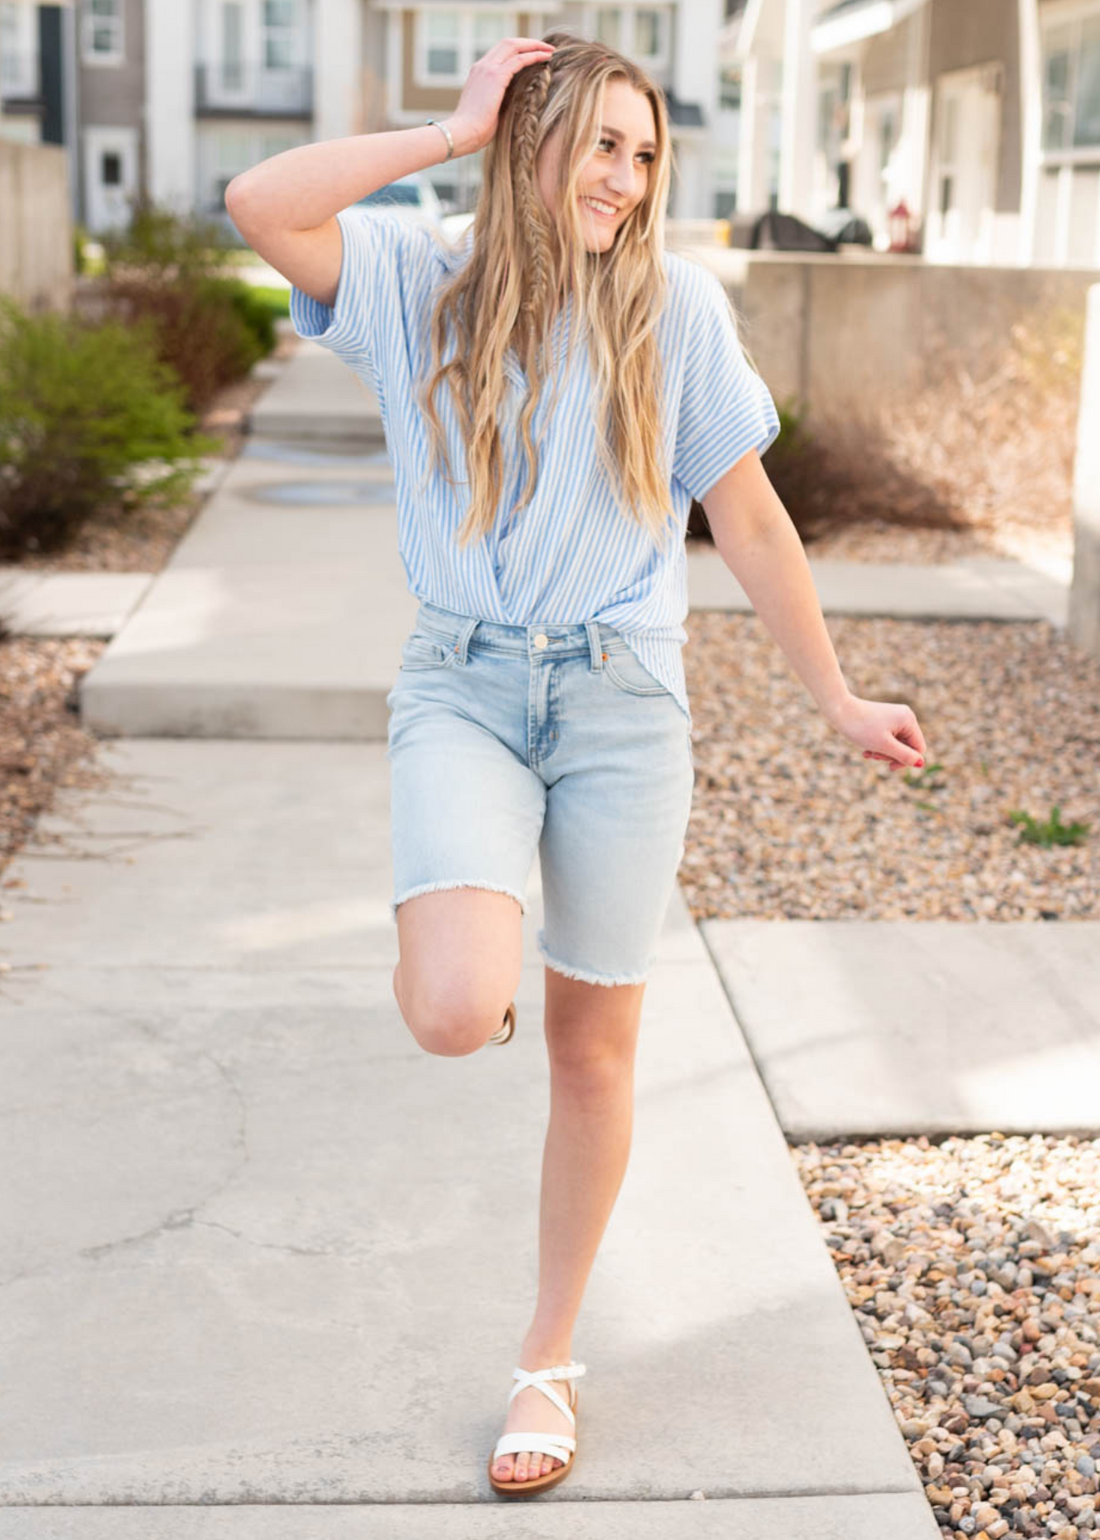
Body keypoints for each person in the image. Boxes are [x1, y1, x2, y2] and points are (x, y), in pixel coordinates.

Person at [225, 30, 928, 1499]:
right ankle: (468, 945)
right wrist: (450, 127)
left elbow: (748, 520)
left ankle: (545, 1359)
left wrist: (838, 696)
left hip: (622, 707)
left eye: (643, 150)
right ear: (530, 143)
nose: (624, 175)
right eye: (598, 142)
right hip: (465, 685)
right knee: (451, 1007)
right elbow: (260, 202)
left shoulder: (674, 309)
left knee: (590, 1050)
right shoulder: (420, 279)